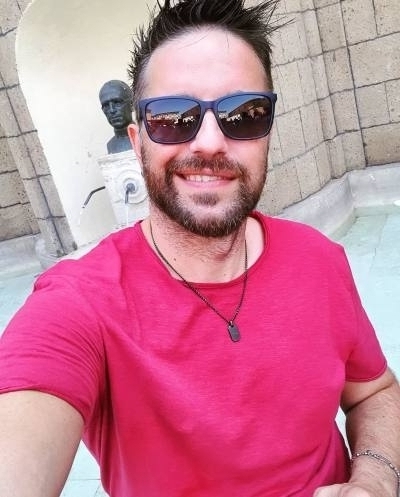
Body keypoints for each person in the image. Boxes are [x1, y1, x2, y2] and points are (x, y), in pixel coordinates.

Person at [1, 0, 400, 496]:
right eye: (173, 117)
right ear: (138, 142)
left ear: (267, 133)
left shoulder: (320, 258)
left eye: (243, 114)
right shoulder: (78, 306)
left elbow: (374, 392)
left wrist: (374, 480)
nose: (210, 142)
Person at [99, 79, 133, 154]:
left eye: (117, 102)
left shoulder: (147, 138)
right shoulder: (110, 145)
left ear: (131, 104)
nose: (112, 110)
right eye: (106, 105)